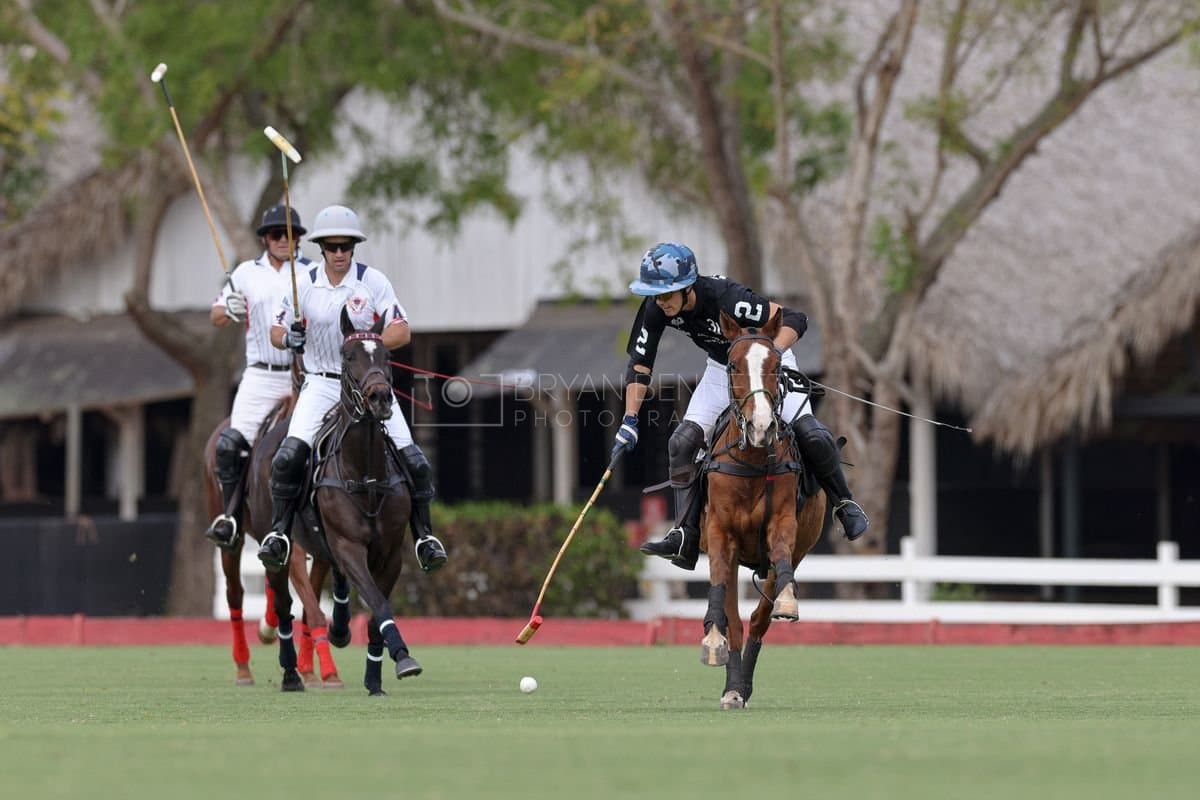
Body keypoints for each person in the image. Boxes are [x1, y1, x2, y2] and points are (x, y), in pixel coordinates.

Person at [613, 242, 869, 570]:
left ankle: (845, 504)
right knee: (681, 442)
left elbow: (795, 318)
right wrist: (629, 419)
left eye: (667, 294)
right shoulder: (655, 308)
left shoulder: (726, 297)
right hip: (723, 369)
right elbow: (640, 364)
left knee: (812, 434)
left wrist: (772, 357)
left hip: (765, 362)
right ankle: (685, 535)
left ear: (688, 287)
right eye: (655, 295)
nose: (660, 301)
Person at [256, 204, 447, 574]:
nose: (340, 253)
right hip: (321, 384)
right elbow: (276, 330)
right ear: (321, 248)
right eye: (332, 246)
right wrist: (289, 338)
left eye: (347, 246)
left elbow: (402, 330)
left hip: (367, 386)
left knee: (415, 460)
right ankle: (279, 533)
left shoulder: (372, 281)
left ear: (354, 247)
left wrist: (365, 344)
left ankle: (424, 537)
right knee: (288, 457)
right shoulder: (303, 283)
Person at [205, 204, 312, 548]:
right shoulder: (246, 273)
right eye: (276, 234)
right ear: (265, 239)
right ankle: (231, 517)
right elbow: (216, 315)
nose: (283, 240)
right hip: (261, 377)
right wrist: (229, 308)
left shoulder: (312, 272)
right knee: (230, 445)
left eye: (289, 234)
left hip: (305, 376)